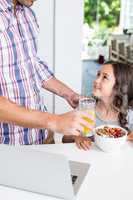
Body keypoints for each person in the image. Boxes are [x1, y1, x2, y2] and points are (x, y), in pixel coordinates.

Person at [0, 0, 92, 145]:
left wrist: (69, 94)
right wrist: (54, 121)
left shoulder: (28, 15)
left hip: (42, 137)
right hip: (8, 145)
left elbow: (32, 65)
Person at [63, 61, 133, 150]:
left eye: (105, 77)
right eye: (98, 75)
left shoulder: (129, 114)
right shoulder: (86, 108)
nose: (96, 80)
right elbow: (64, 138)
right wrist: (77, 137)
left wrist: (128, 137)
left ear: (118, 86)